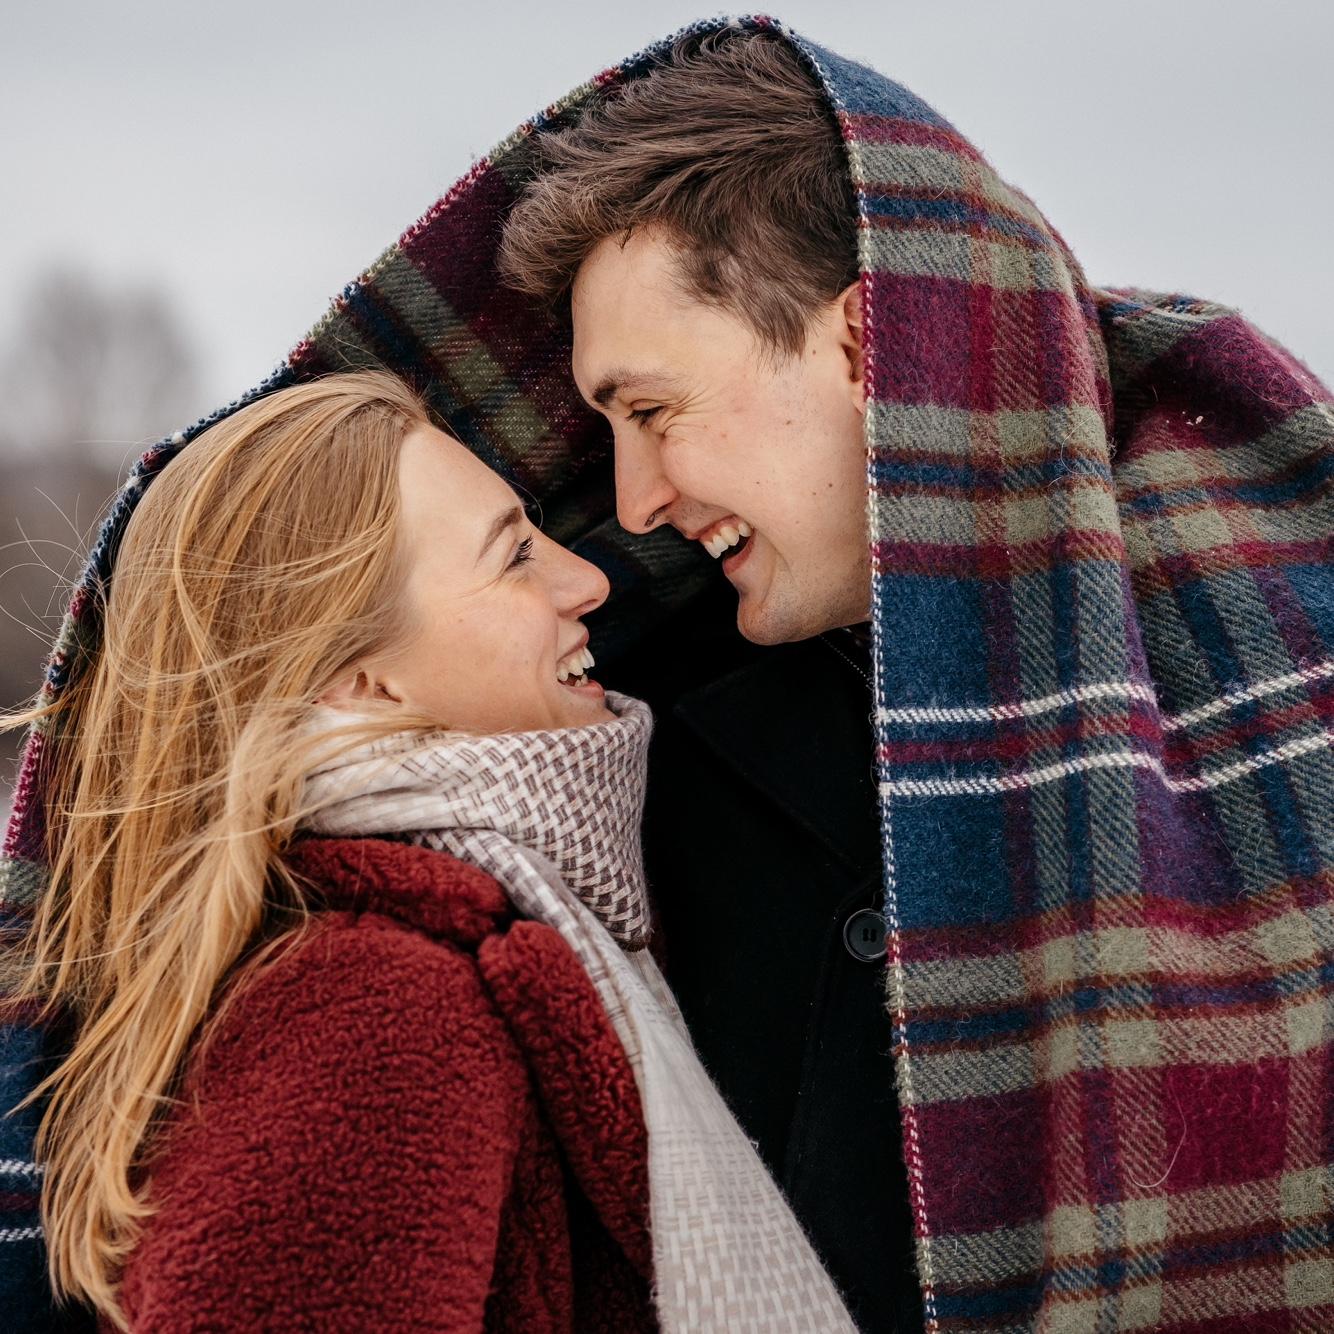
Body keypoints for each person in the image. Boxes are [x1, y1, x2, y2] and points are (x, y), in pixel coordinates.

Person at [4, 16, 1331, 1333]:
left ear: (865, 342)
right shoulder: (619, 776)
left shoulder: (1265, 690)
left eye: (650, 410)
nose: (627, 509)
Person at [0, 371, 856, 1332]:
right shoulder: (375, 1015)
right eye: (513, 556)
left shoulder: (418, 946)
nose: (588, 580)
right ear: (360, 683)